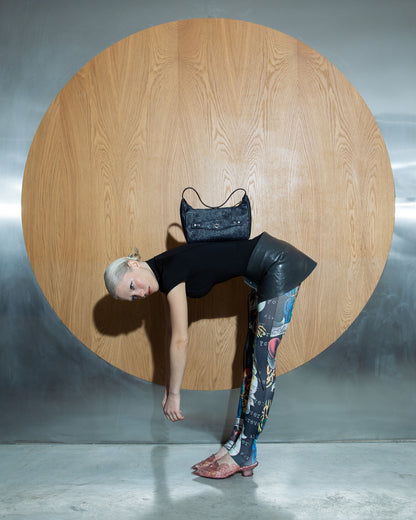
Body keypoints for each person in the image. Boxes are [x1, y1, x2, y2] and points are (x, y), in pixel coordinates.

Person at [104, 232, 316, 479]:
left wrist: (174, 394)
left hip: (280, 263)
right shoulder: (163, 269)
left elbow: (180, 340)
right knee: (251, 361)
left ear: (134, 264)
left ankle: (244, 452)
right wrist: (169, 387)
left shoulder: (170, 270)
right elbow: (173, 333)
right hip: (266, 270)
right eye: (132, 297)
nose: (139, 294)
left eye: (132, 285)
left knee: (262, 362)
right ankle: (237, 444)